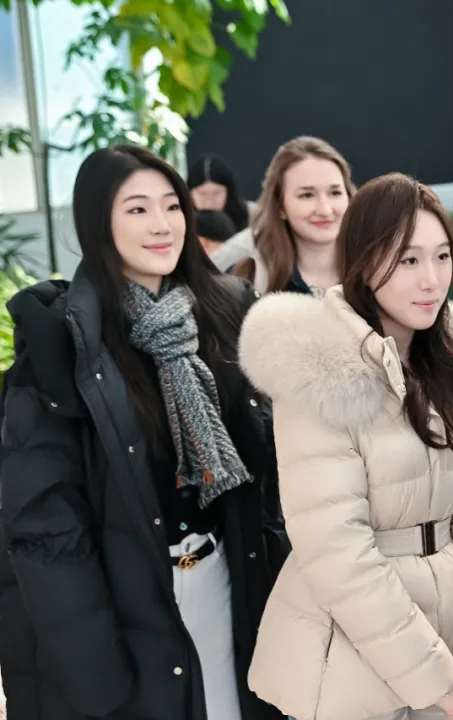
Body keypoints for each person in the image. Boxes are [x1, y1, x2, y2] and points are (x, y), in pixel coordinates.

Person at [0, 145, 288, 720]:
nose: (162, 225)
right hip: (127, 607)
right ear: (97, 222)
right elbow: (47, 529)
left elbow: (267, 476)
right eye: (137, 209)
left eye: (172, 206)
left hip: (227, 581)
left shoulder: (224, 314)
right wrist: (95, 675)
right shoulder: (63, 342)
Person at [240, 172, 453, 720]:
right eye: (408, 260)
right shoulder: (323, 370)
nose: (431, 279)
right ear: (365, 262)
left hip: (449, 642)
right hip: (347, 656)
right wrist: (432, 677)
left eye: (442, 256)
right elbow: (337, 550)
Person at [225, 136, 354, 294]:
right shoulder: (248, 281)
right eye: (307, 195)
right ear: (280, 206)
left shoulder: (373, 276)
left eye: (335, 193)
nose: (325, 210)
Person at [187, 153, 252, 232]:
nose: (209, 202)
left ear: (228, 192)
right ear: (190, 194)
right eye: (202, 194)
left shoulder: (251, 217)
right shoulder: (181, 220)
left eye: (216, 193)